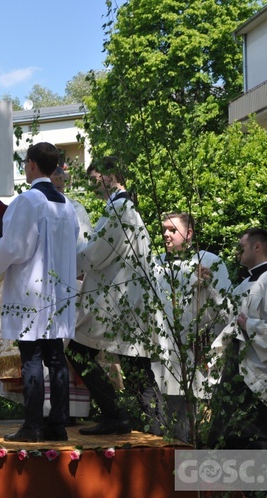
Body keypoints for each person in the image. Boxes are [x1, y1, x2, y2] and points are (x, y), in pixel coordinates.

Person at [0, 143, 79, 442]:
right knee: (55, 355)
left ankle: (32, 425)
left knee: (31, 356)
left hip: (31, 290)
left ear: (30, 165)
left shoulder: (28, 201)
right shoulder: (67, 205)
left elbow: (15, 247)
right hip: (59, 290)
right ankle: (57, 425)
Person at [67, 156, 163, 436]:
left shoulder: (120, 207)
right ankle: (153, 426)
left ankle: (116, 414)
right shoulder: (125, 206)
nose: (94, 186)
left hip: (116, 299)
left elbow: (97, 251)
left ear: (110, 176)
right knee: (135, 362)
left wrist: (66, 265)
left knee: (78, 350)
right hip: (126, 297)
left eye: (95, 179)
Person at [208, 228, 267, 449]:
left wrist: (249, 324)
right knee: (231, 438)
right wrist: (211, 287)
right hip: (240, 370)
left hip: (263, 374)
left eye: (241, 247)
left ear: (257, 246)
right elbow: (231, 316)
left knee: (262, 441)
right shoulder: (245, 284)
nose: (237, 252)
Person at [153, 212, 231, 442]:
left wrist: (204, 284)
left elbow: (224, 310)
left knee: (184, 427)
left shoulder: (208, 260)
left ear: (188, 234)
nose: (166, 234)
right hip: (157, 355)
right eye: (164, 229)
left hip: (192, 353)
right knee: (154, 424)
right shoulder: (155, 262)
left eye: (172, 230)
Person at [50, 166, 93, 250]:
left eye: (59, 187)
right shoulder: (38, 207)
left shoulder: (77, 208)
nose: (55, 192)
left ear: (64, 185)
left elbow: (84, 243)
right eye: (52, 188)